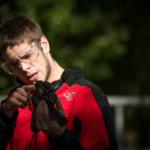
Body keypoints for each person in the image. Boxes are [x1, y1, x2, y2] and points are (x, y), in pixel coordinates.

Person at [0, 14, 118, 150]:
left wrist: (60, 137)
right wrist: (5, 117)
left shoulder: (85, 94)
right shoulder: (12, 104)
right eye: (14, 63)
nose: (24, 67)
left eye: (27, 55)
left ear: (44, 45)